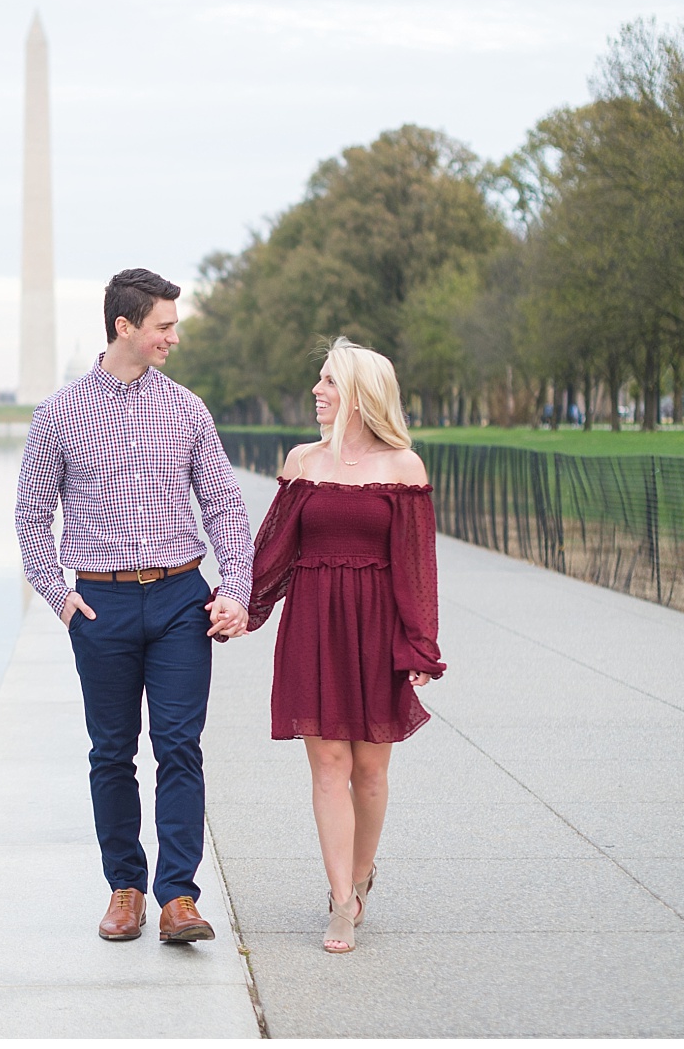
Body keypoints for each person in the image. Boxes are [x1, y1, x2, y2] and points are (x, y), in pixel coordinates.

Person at [15, 268, 254, 944]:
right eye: (165, 326)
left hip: (181, 596)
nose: (174, 337)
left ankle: (179, 897)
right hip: (101, 606)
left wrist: (234, 589)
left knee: (180, 746)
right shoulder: (58, 415)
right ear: (125, 326)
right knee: (112, 752)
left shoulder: (187, 410)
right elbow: (32, 517)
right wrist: (60, 598)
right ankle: (126, 889)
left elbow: (227, 508)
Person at [245, 337, 445, 955]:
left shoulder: (404, 467)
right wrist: (242, 605)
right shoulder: (302, 461)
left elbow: (415, 565)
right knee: (328, 764)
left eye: (330, 382)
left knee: (370, 769)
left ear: (360, 394)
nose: (317, 391)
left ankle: (361, 877)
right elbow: (272, 550)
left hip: (378, 625)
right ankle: (339, 901)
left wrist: (420, 644)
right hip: (314, 623)